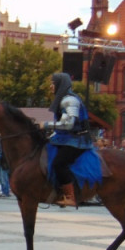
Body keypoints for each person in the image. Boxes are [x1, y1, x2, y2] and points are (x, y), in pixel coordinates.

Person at [43, 72, 93, 208]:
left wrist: (46, 125)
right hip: (66, 138)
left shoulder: (69, 100)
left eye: (53, 83)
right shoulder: (63, 99)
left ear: (60, 84)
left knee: (59, 164)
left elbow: (68, 124)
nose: (51, 86)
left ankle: (71, 197)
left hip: (77, 140)